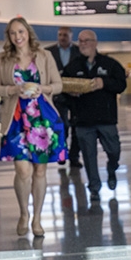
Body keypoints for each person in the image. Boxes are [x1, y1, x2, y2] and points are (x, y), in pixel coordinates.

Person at [0, 17, 67, 237]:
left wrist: (42, 88)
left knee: (40, 170)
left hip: (42, 118)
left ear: (28, 32)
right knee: (22, 170)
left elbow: (59, 85)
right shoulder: (3, 59)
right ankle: (24, 213)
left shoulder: (44, 56)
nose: (18, 37)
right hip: (15, 119)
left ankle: (38, 218)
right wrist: (12, 90)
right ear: (9, 36)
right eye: (13, 33)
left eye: (21, 32)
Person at [62, 30, 127, 203]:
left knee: (114, 151)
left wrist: (104, 83)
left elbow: (121, 84)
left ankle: (112, 168)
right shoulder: (73, 67)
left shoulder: (110, 64)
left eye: (87, 41)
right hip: (83, 121)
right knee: (89, 156)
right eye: (80, 41)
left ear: (95, 43)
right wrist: (71, 96)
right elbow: (61, 90)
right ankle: (94, 188)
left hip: (106, 119)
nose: (83, 44)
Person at [47, 26, 83, 167]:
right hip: (57, 96)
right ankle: (61, 153)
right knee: (61, 125)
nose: (62, 37)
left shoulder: (78, 52)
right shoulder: (48, 52)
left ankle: (74, 156)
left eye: (65, 35)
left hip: (76, 95)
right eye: (60, 35)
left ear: (71, 36)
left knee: (77, 127)